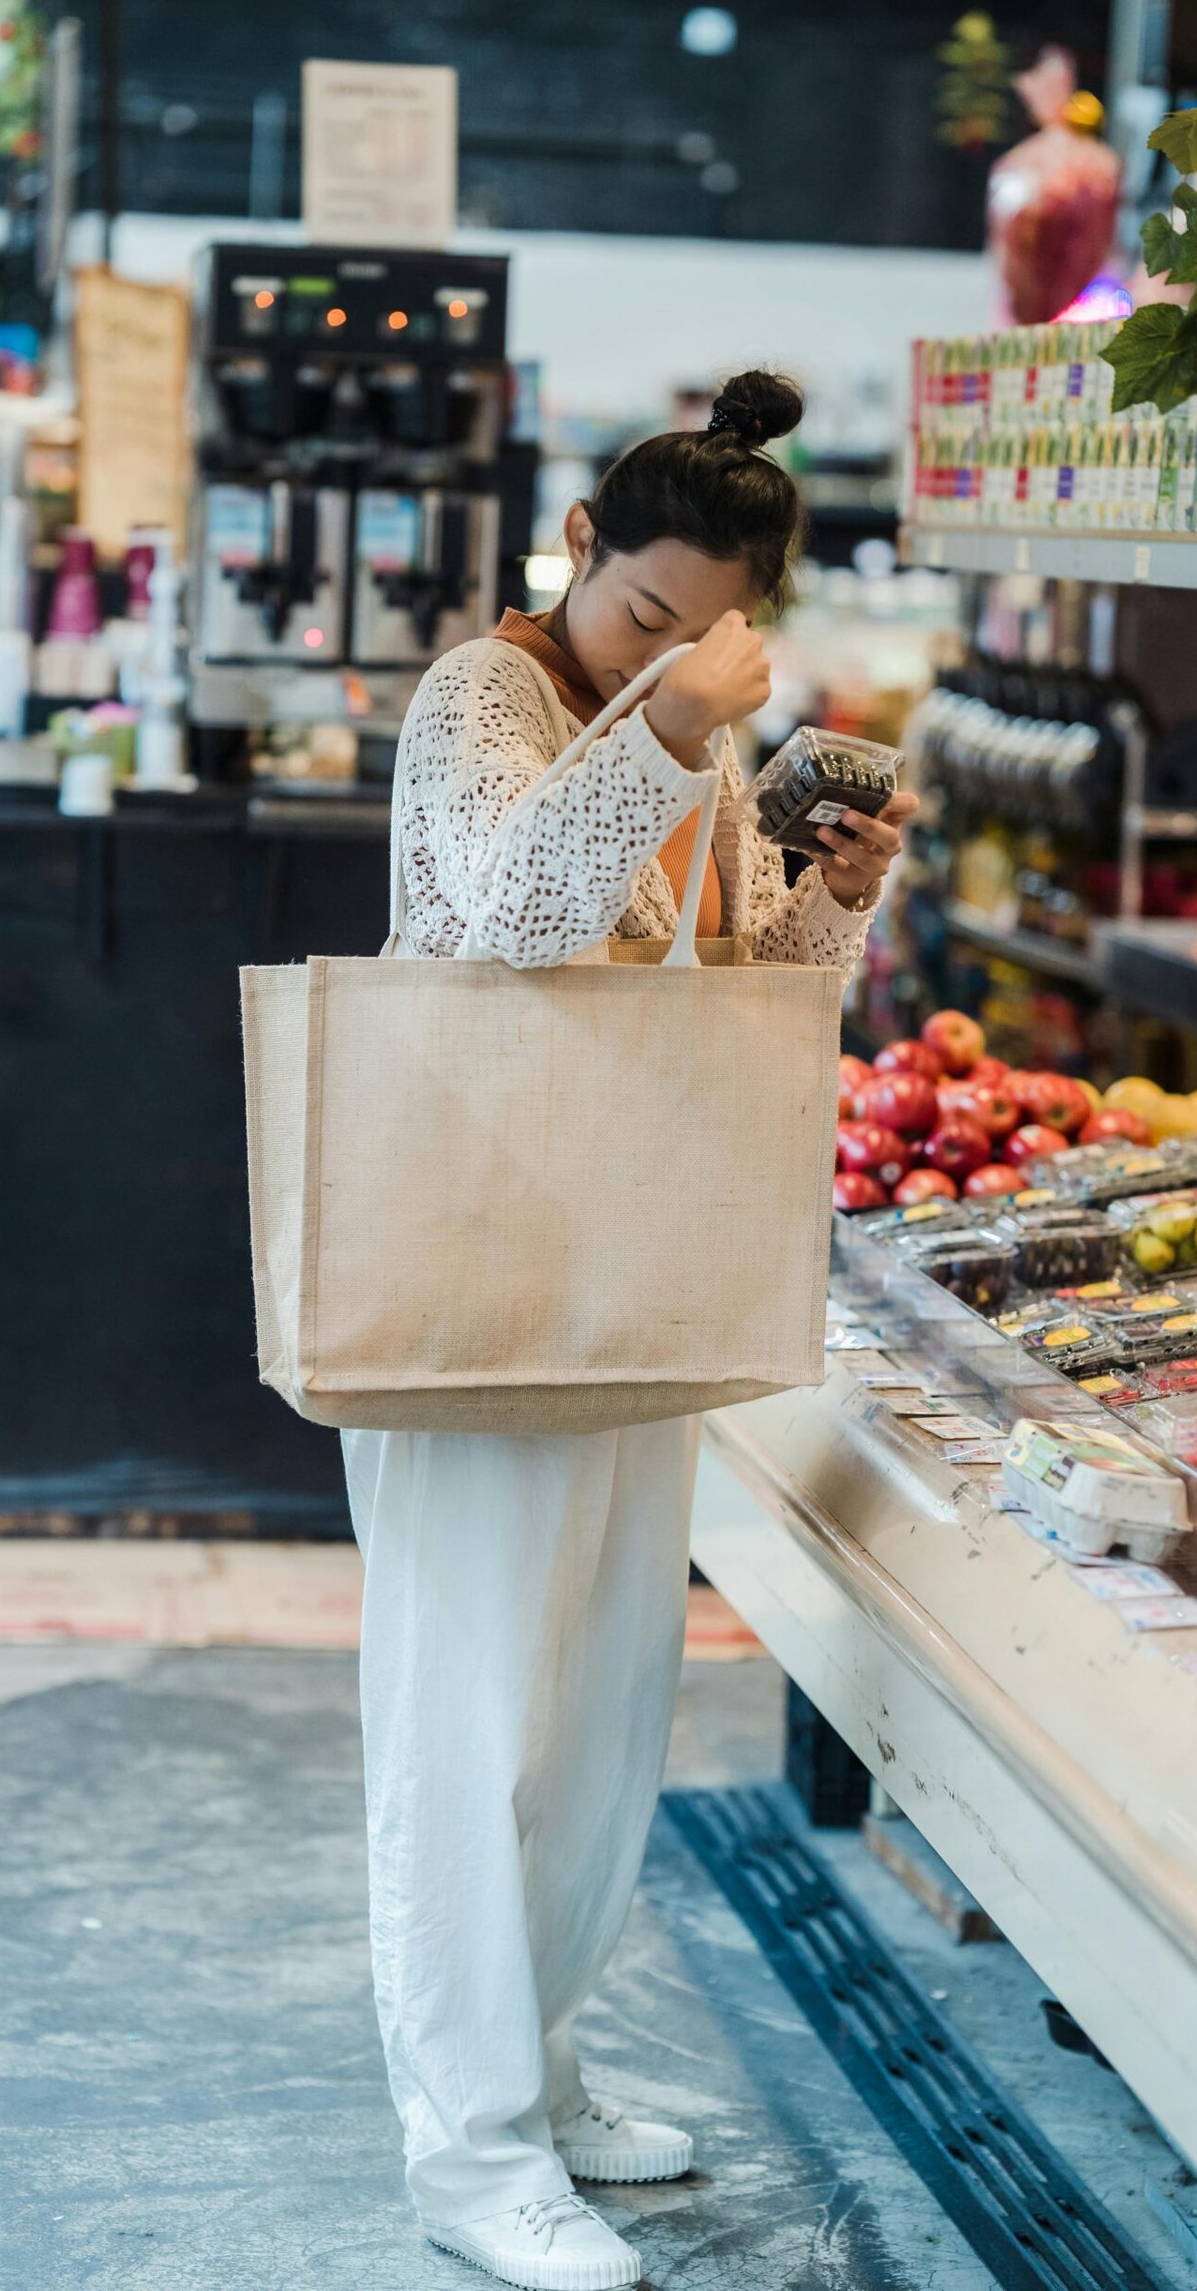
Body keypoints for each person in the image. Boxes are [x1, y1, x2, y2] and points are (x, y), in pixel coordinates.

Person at [341, 369, 917, 2291]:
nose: (662, 650)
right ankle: (468, 2144)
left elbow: (732, 988)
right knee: (467, 1708)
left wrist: (830, 902)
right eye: (638, 612)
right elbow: (496, 923)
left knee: (599, 1706)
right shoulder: (477, 700)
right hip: (481, 1273)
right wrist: (670, 730)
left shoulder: (693, 720)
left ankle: (551, 2067)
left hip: (632, 1260)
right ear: (580, 549)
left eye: (705, 629)